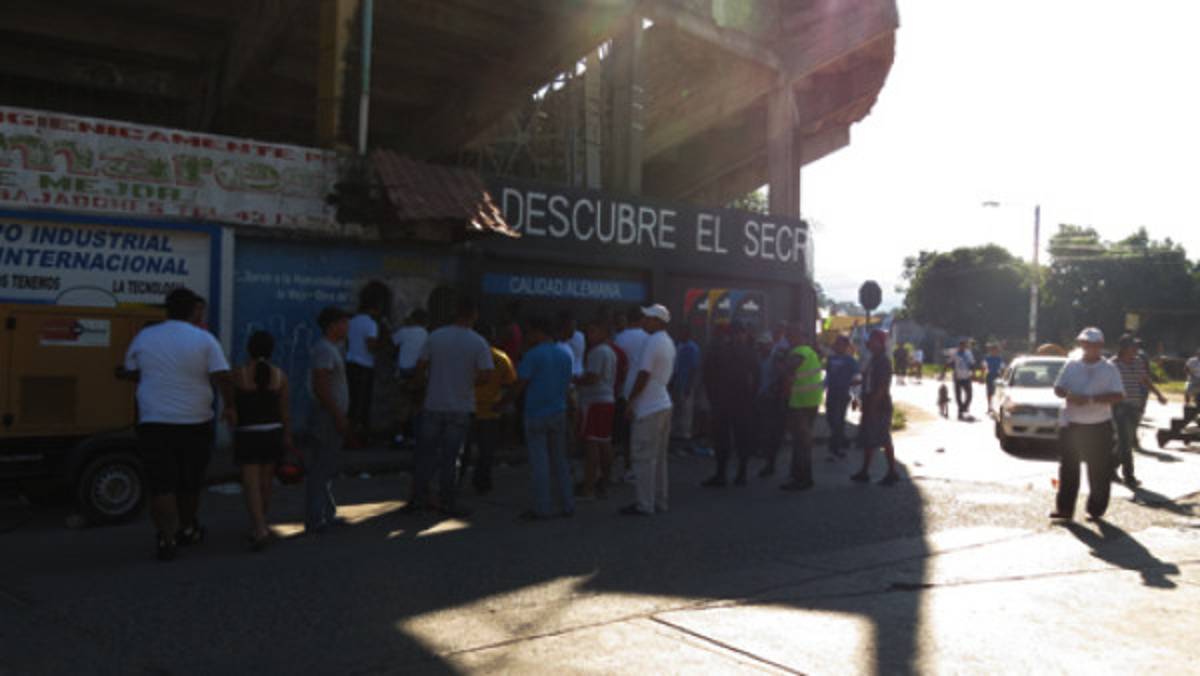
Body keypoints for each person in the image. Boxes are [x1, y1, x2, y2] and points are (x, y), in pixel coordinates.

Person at [122, 288, 234, 561]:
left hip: (154, 420)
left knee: (162, 485)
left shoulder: (145, 336)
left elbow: (128, 369)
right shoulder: (204, 339)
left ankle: (165, 538)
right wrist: (230, 406)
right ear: (194, 311)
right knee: (189, 482)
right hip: (195, 420)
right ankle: (187, 528)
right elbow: (222, 376)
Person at [404, 296, 493, 517]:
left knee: (425, 455)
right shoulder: (478, 342)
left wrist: (419, 388)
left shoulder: (435, 336)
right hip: (460, 407)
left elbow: (420, 367)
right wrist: (466, 381)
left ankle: (418, 499)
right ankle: (447, 502)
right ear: (474, 315)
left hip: (433, 403)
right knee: (451, 457)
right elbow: (486, 375)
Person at [1050, 327, 1126, 522]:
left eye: (1093, 344)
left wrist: (1092, 399)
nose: (1088, 347)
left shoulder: (1109, 368)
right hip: (1072, 424)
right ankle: (1065, 509)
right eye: (1085, 343)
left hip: (1099, 425)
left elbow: (1118, 395)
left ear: (1100, 346)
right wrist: (1069, 395)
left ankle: (1095, 509)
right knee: (1068, 469)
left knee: (1099, 470)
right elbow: (1058, 388)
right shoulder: (1072, 365)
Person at [508, 316, 575, 519]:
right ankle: (567, 504)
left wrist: (503, 403)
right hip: (559, 412)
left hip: (536, 413)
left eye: (529, 332)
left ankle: (542, 507)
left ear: (538, 332)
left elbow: (520, 384)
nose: (527, 336)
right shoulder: (565, 355)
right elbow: (567, 386)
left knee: (540, 463)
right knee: (560, 460)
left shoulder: (532, 355)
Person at [233, 331, 292, 551]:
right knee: (266, 482)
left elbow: (232, 405)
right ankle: (262, 523)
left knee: (251, 484)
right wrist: (287, 435)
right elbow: (285, 412)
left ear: (249, 348)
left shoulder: (239, 374)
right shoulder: (280, 376)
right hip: (273, 432)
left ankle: (258, 527)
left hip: (248, 433)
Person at [620, 304, 676, 516]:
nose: (644, 320)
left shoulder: (653, 341)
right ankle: (659, 500)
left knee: (643, 457)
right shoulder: (667, 341)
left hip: (649, 407)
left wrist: (631, 401)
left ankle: (645, 504)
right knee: (659, 458)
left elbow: (644, 374)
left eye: (648, 318)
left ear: (658, 322)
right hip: (663, 404)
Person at [307, 307, 351, 534]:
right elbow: (321, 386)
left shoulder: (332, 349)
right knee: (321, 468)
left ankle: (326, 512)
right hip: (327, 417)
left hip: (330, 415)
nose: (348, 327)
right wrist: (338, 415)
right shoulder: (325, 350)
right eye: (344, 322)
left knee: (327, 466)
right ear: (333, 325)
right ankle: (316, 518)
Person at [701, 323, 758, 486]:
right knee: (740, 438)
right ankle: (740, 474)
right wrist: (751, 398)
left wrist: (713, 397)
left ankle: (722, 474)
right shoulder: (748, 352)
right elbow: (757, 377)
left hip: (723, 402)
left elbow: (707, 374)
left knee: (723, 438)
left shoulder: (719, 350)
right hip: (739, 402)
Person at [465, 324, 517, 495]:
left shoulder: (468, 354)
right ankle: (483, 483)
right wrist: (502, 402)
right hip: (490, 410)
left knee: (463, 449)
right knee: (486, 451)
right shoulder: (501, 357)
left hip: (467, 408)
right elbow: (511, 383)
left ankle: (456, 482)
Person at [1110, 335, 1166, 487]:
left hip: (1135, 406)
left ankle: (1109, 468)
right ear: (1124, 348)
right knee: (1126, 442)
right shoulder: (1112, 365)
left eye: (1136, 347)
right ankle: (1129, 476)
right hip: (1120, 407)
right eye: (1133, 347)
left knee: (1124, 442)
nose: (1136, 349)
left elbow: (1145, 380)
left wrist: (1158, 394)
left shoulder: (1138, 361)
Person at [575, 317, 618, 499]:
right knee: (604, 442)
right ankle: (604, 483)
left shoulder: (597, 352)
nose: (589, 335)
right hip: (607, 400)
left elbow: (592, 378)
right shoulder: (610, 352)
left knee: (592, 445)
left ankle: (589, 488)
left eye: (593, 331)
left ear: (603, 332)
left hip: (594, 403)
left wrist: (574, 379)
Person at [851, 329, 899, 485]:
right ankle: (865, 471)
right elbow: (869, 381)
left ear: (880, 343)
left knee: (883, 438)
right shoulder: (874, 359)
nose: (868, 343)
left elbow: (882, 387)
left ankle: (892, 472)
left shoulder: (883, 361)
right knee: (869, 438)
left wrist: (872, 406)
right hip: (871, 403)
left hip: (879, 406)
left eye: (872, 340)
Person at [345, 281, 389, 446]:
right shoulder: (370, 324)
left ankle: (348, 436)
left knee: (351, 403)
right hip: (364, 367)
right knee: (361, 405)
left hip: (350, 363)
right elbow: (372, 347)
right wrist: (384, 340)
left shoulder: (352, 321)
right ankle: (358, 438)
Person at [781, 322, 823, 491]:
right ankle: (803, 477)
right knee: (803, 441)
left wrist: (784, 395)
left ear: (798, 337)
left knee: (800, 442)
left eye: (790, 336)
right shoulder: (810, 352)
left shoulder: (798, 352)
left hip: (800, 402)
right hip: (811, 401)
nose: (788, 339)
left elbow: (788, 374)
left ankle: (801, 478)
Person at [613, 306, 649, 480]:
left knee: (627, 434)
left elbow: (617, 365)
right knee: (642, 433)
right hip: (644, 388)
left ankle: (629, 467)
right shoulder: (649, 338)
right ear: (642, 320)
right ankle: (641, 468)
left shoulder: (619, 338)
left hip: (625, 390)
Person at [391, 308, 429, 447]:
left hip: (403, 372)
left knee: (401, 407)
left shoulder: (404, 332)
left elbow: (392, 343)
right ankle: (415, 436)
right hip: (420, 374)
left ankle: (399, 437)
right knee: (417, 407)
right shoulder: (426, 334)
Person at [754, 330, 790, 476]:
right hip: (762, 398)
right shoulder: (760, 358)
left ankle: (771, 463)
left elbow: (783, 376)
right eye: (760, 345)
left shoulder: (776, 357)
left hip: (773, 400)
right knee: (765, 431)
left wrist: (779, 394)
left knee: (772, 433)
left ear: (770, 345)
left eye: (764, 345)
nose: (761, 348)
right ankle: (767, 457)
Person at [824, 334, 860, 460]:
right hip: (831, 392)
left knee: (838, 420)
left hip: (843, 393)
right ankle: (841, 440)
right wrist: (823, 387)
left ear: (845, 346)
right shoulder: (830, 359)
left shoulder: (850, 360)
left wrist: (856, 397)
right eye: (836, 343)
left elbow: (857, 379)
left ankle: (835, 448)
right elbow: (828, 375)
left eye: (839, 343)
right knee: (830, 418)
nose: (836, 345)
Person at [670, 326, 702, 452]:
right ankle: (676, 432)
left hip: (686, 381)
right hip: (677, 381)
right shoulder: (678, 345)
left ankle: (685, 434)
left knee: (686, 409)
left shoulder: (692, 348)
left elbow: (694, 368)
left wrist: (690, 384)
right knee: (677, 407)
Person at [951, 339, 977, 420]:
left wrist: (974, 373)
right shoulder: (955, 353)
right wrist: (945, 372)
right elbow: (951, 362)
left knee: (969, 395)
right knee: (958, 396)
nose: (962, 347)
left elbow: (972, 364)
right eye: (961, 345)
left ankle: (963, 408)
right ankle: (960, 411)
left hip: (966, 377)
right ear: (959, 346)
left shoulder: (968, 353)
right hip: (957, 377)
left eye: (964, 346)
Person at [983, 344, 1006, 414]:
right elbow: (984, 366)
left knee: (997, 392)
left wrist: (1003, 375)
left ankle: (998, 406)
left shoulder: (999, 358)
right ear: (990, 351)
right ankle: (989, 407)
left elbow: (1003, 367)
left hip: (997, 376)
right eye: (992, 350)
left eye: (995, 350)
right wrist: (984, 373)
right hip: (989, 376)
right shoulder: (987, 358)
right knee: (989, 392)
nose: (994, 352)